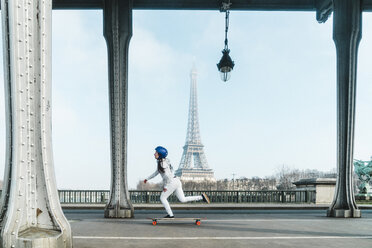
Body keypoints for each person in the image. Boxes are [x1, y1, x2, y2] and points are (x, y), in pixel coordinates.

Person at [144, 146, 210, 218]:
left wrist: (165, 186)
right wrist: (147, 179)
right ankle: (201, 197)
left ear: (160, 154)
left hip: (171, 182)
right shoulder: (163, 162)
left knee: (162, 198)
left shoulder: (162, 164)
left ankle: (170, 214)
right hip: (176, 181)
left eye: (156, 152)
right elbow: (156, 173)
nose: (154, 154)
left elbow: (167, 176)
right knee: (182, 199)